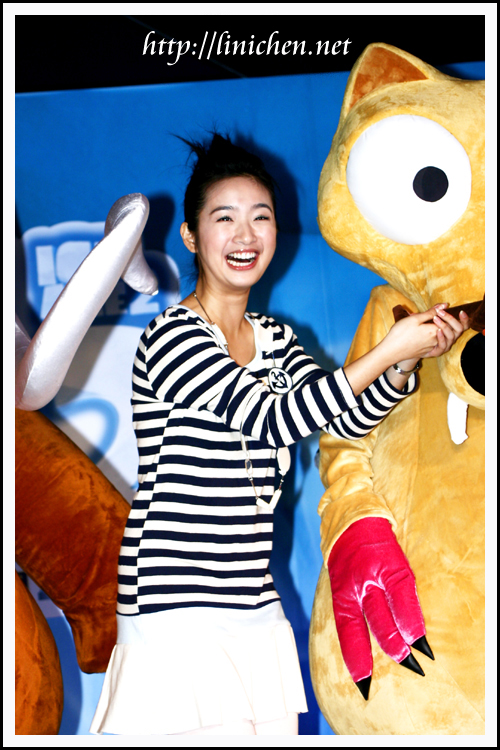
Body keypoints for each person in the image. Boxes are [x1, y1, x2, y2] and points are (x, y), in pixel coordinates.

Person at [90, 134, 469, 736]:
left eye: (260, 217)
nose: (245, 235)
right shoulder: (172, 335)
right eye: (225, 218)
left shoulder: (276, 338)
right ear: (191, 236)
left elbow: (339, 417)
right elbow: (274, 418)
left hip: (252, 594)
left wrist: (402, 364)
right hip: (174, 600)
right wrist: (385, 350)